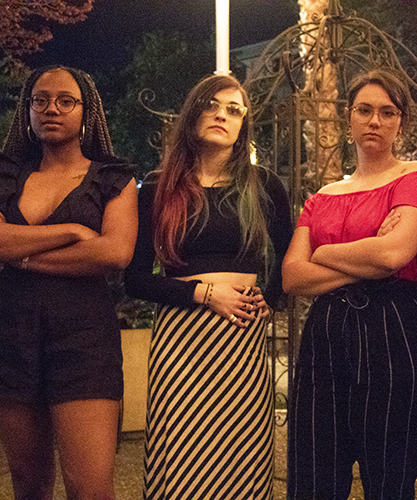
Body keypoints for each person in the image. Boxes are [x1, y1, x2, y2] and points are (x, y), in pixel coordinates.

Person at [0, 65, 138, 500]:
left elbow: (114, 253)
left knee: (89, 487)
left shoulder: (113, 179)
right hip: (10, 333)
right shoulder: (6, 174)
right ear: (27, 110)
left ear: (87, 111)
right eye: (40, 100)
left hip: (84, 339)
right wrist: (72, 234)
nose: (51, 109)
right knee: (28, 481)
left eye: (65, 100)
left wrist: (15, 248)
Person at [123, 74, 293, 499]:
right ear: (193, 114)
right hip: (180, 345)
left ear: (244, 126)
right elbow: (135, 278)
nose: (222, 114)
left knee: (241, 463)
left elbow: (290, 260)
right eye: (212, 105)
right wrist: (203, 294)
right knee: (181, 464)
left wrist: (271, 300)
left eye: (234, 109)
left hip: (241, 344)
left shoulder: (265, 185)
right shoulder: (157, 189)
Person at [282, 68, 417, 500]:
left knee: (389, 481)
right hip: (326, 334)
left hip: (394, 329)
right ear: (348, 118)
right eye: (365, 110)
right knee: (315, 479)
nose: (375, 120)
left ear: (401, 122)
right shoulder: (323, 195)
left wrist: (325, 252)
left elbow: (396, 256)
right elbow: (292, 276)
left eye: (387, 112)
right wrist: (371, 251)